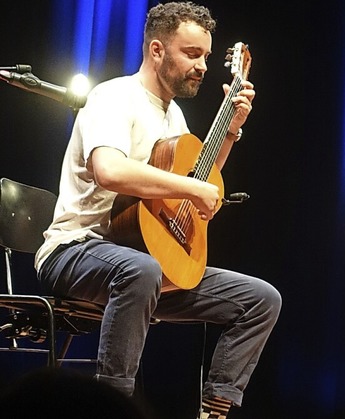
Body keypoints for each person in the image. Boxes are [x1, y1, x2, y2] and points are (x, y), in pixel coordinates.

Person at [34, 2, 281, 419]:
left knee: (261, 299)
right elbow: (109, 170)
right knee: (140, 270)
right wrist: (192, 187)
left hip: (142, 263)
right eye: (191, 53)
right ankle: (113, 407)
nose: (202, 65)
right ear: (156, 50)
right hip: (75, 250)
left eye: (205, 55)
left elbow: (197, 178)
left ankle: (214, 410)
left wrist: (231, 129)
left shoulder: (175, 116)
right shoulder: (115, 96)